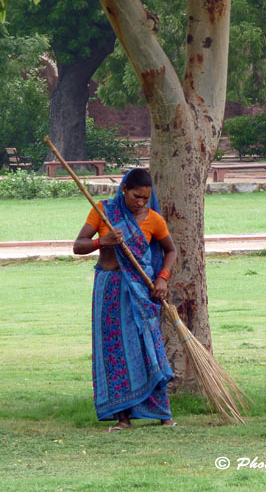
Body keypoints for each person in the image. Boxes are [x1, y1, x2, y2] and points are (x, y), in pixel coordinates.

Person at [73, 168, 177, 430]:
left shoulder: (154, 220)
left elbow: (170, 250)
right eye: (136, 196)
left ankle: (163, 414)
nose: (140, 202)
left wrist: (163, 278)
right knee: (114, 350)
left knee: (148, 347)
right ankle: (123, 418)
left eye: (145, 197)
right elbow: (78, 246)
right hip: (109, 289)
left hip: (141, 292)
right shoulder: (103, 212)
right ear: (124, 190)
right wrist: (102, 241)